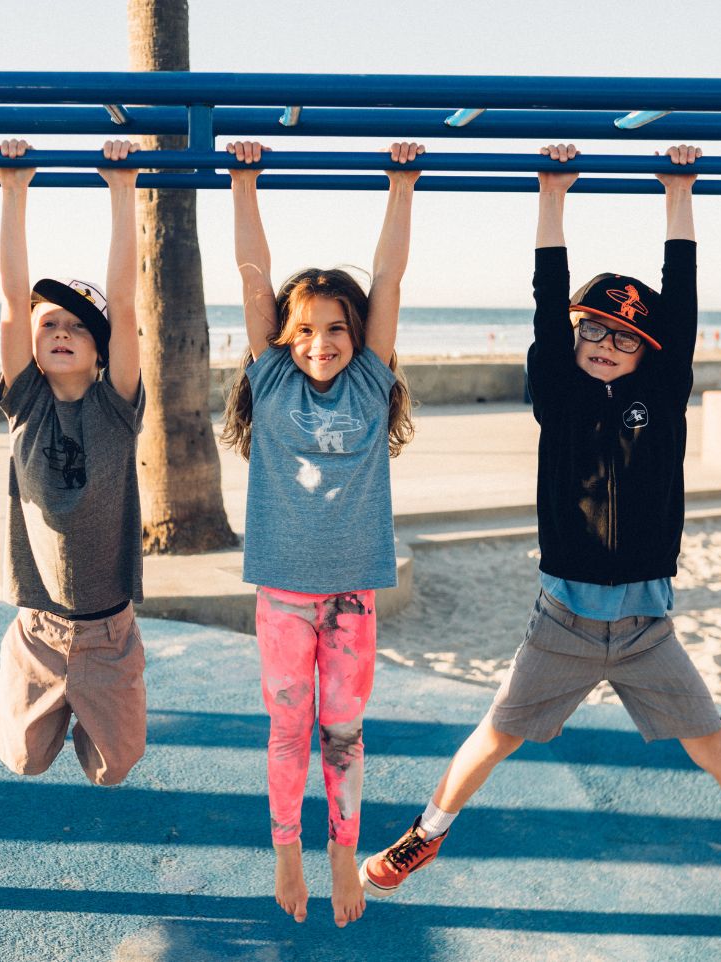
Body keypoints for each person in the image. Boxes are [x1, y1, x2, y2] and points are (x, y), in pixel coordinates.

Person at [359, 143, 721, 910]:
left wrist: (678, 193)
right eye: (594, 332)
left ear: (649, 353)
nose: (605, 345)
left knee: (717, 748)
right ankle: (426, 833)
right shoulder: (556, 396)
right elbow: (546, 296)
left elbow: (682, 299)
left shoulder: (661, 399)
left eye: (625, 337)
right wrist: (552, 196)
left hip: (646, 629)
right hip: (561, 619)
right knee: (494, 733)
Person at [220, 139, 422, 928]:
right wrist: (243, 183)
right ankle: (284, 851)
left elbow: (391, 279)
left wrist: (400, 187)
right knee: (286, 731)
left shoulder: (371, 379)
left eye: (336, 328)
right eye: (304, 329)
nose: (320, 342)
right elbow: (249, 276)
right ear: (284, 337)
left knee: (341, 732)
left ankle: (344, 851)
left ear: (357, 334)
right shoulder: (270, 378)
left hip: (349, 596)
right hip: (281, 593)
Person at [0, 139, 148, 788]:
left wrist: (121, 188)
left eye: (78, 327)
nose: (60, 332)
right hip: (36, 628)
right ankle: (47, 698)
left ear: (101, 350)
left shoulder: (117, 407)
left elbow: (127, 305)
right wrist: (14, 189)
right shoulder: (25, 402)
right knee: (22, 761)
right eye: (50, 322)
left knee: (114, 768)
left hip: (110, 631)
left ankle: (98, 707)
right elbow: (10, 301)